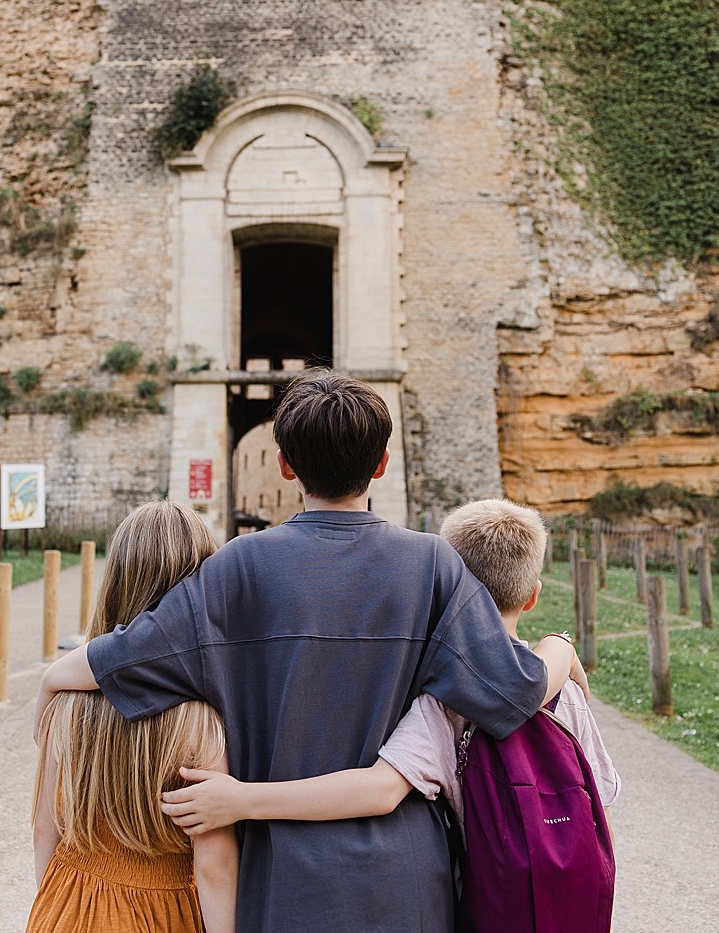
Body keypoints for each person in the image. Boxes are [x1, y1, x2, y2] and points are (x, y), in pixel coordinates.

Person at [39, 371, 549, 933]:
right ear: (381, 464)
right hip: (405, 884)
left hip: (282, 884)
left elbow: (116, 661)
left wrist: (50, 684)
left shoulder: (237, 569)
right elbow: (515, 691)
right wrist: (563, 652)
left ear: (284, 464)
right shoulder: (433, 567)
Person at [157, 499, 618, 833]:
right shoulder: (569, 692)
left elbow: (380, 790)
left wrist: (243, 799)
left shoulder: (443, 698)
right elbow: (600, 804)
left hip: (480, 897)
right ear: (533, 595)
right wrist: (561, 645)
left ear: (451, 590)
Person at [27, 501, 238, 933]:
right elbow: (213, 867)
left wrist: (53, 905)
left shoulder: (68, 703)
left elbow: (44, 831)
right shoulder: (198, 724)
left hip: (68, 904)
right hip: (165, 914)